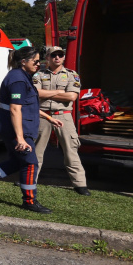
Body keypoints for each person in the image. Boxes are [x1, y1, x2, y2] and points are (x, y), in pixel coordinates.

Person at [0, 47, 61, 214]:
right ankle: (30, 201)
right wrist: (20, 138)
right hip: (16, 130)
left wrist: (49, 118)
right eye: (36, 61)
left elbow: (28, 105)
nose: (39, 64)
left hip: (19, 128)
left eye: (39, 61)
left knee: (17, 162)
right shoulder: (18, 80)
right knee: (30, 162)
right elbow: (15, 109)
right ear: (23, 62)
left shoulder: (23, 77)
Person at [33, 46, 89, 195]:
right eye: (53, 55)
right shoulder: (38, 75)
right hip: (42, 115)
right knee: (36, 151)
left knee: (71, 150)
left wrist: (46, 94)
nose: (57, 57)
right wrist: (59, 92)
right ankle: (29, 180)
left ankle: (80, 185)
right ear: (48, 58)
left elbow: (72, 96)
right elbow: (35, 93)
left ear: (63, 57)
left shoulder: (71, 75)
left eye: (60, 55)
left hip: (63, 115)